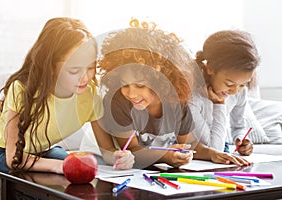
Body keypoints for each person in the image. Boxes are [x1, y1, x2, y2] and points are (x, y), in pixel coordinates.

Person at [0, 17, 134, 174]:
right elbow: (13, 158)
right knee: (42, 179)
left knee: (78, 172)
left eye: (90, 67)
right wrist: (58, 166)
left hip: (43, 151)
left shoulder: (91, 95)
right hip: (3, 152)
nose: (85, 78)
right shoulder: (23, 89)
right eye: (74, 71)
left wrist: (119, 157)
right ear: (50, 66)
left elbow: (107, 151)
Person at [97, 18, 250, 169]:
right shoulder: (118, 102)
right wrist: (166, 157)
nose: (131, 93)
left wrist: (212, 154)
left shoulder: (175, 102)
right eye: (125, 85)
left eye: (140, 85)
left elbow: (191, 144)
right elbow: (133, 150)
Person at [190, 29, 259, 156]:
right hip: (196, 149)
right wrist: (219, 104)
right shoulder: (192, 96)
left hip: (220, 143)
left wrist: (242, 139)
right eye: (229, 84)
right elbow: (213, 149)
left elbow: (238, 126)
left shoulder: (239, 92)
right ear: (210, 69)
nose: (235, 91)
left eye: (242, 84)